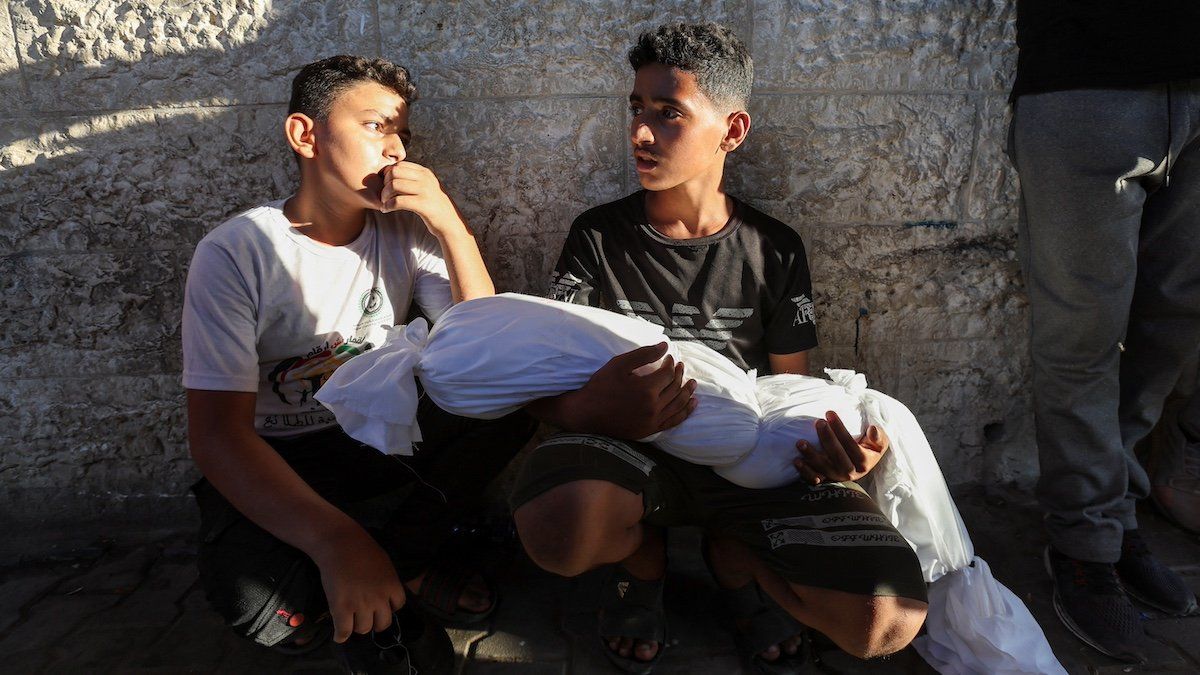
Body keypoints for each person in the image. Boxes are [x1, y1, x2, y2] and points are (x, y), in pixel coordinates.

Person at [512, 23, 928, 674]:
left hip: (741, 466)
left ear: (731, 132)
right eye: (637, 110)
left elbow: (792, 391)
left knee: (886, 618)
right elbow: (548, 389)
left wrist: (837, 447)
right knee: (557, 524)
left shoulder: (774, 247)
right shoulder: (597, 238)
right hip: (630, 456)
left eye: (669, 114)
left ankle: (735, 563)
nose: (641, 134)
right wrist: (602, 407)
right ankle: (642, 566)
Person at [181, 55, 535, 672]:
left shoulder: (405, 232)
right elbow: (217, 437)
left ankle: (398, 564)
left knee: (510, 400)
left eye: (403, 133)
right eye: (375, 125)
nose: (396, 149)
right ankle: (369, 564)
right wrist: (335, 541)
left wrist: (451, 226)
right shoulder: (238, 252)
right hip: (281, 456)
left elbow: (489, 352)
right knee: (262, 610)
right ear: (305, 135)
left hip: (378, 438)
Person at [1007, 1, 1200, 664]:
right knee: (1081, 339)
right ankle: (1084, 541)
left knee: (1171, 330)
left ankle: (1117, 515)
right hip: (1085, 80)